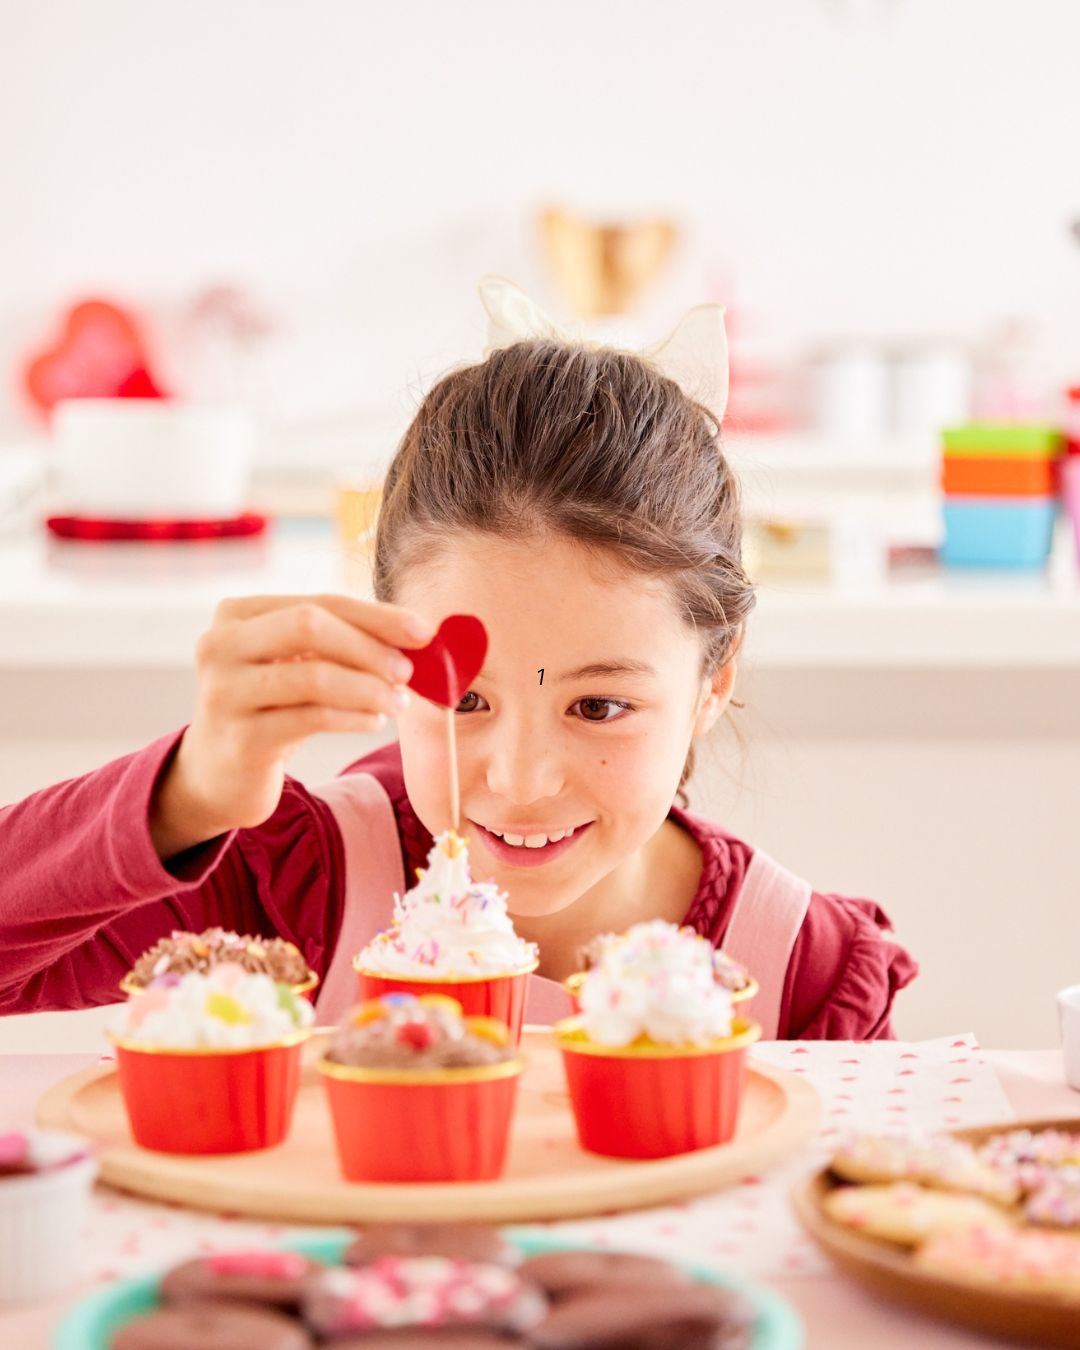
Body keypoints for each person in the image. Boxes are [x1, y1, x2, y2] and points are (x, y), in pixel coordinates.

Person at [0, 280, 916, 1038]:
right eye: (465, 700)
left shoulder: (805, 973)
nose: (518, 783)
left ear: (714, 679)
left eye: (598, 707)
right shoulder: (290, 891)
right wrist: (189, 792)